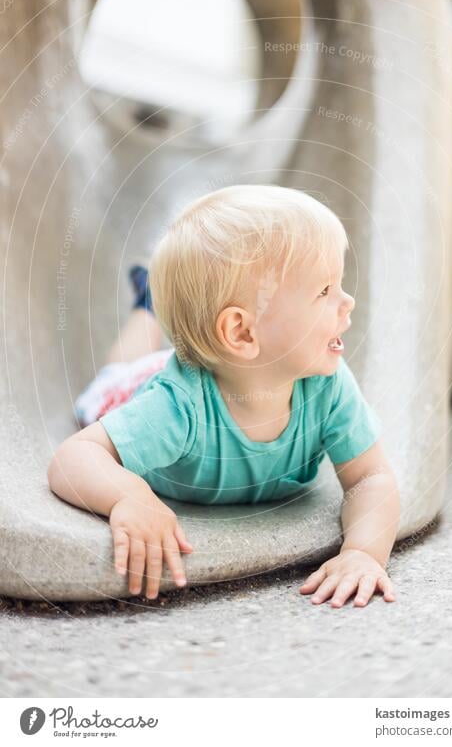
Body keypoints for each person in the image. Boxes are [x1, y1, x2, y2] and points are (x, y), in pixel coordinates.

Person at [48, 185, 400, 607]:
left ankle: (152, 303)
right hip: (133, 386)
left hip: (206, 360)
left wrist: (363, 553)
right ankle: (148, 304)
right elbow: (73, 458)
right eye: (324, 291)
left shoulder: (326, 385)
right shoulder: (178, 405)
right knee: (122, 368)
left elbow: (370, 477)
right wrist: (129, 496)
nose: (348, 301)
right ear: (242, 332)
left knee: (152, 359)